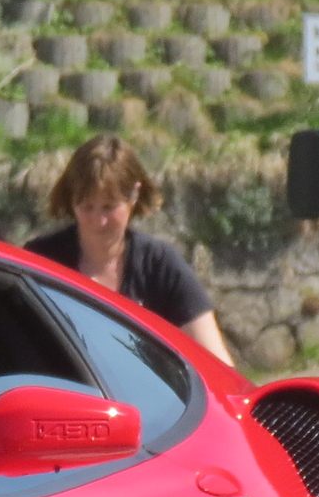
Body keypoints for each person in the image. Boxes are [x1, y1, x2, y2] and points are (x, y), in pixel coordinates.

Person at [24, 135, 234, 364]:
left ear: (134, 195)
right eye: (87, 207)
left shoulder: (161, 267)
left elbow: (218, 363)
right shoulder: (40, 262)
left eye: (109, 207)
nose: (99, 220)